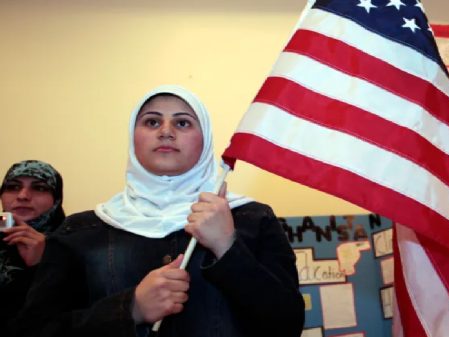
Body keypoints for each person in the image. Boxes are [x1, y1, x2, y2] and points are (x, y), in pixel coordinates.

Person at [13, 85, 304, 337]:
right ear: (132, 137)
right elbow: (36, 330)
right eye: (152, 122)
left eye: (183, 123)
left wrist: (227, 247)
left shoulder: (252, 219)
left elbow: (287, 325)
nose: (166, 132)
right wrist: (131, 309)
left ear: (205, 141)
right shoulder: (80, 231)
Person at [0, 160, 65, 330]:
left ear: (56, 199)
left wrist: (42, 264)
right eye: (13, 187)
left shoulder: (71, 245)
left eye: (39, 188)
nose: (22, 196)